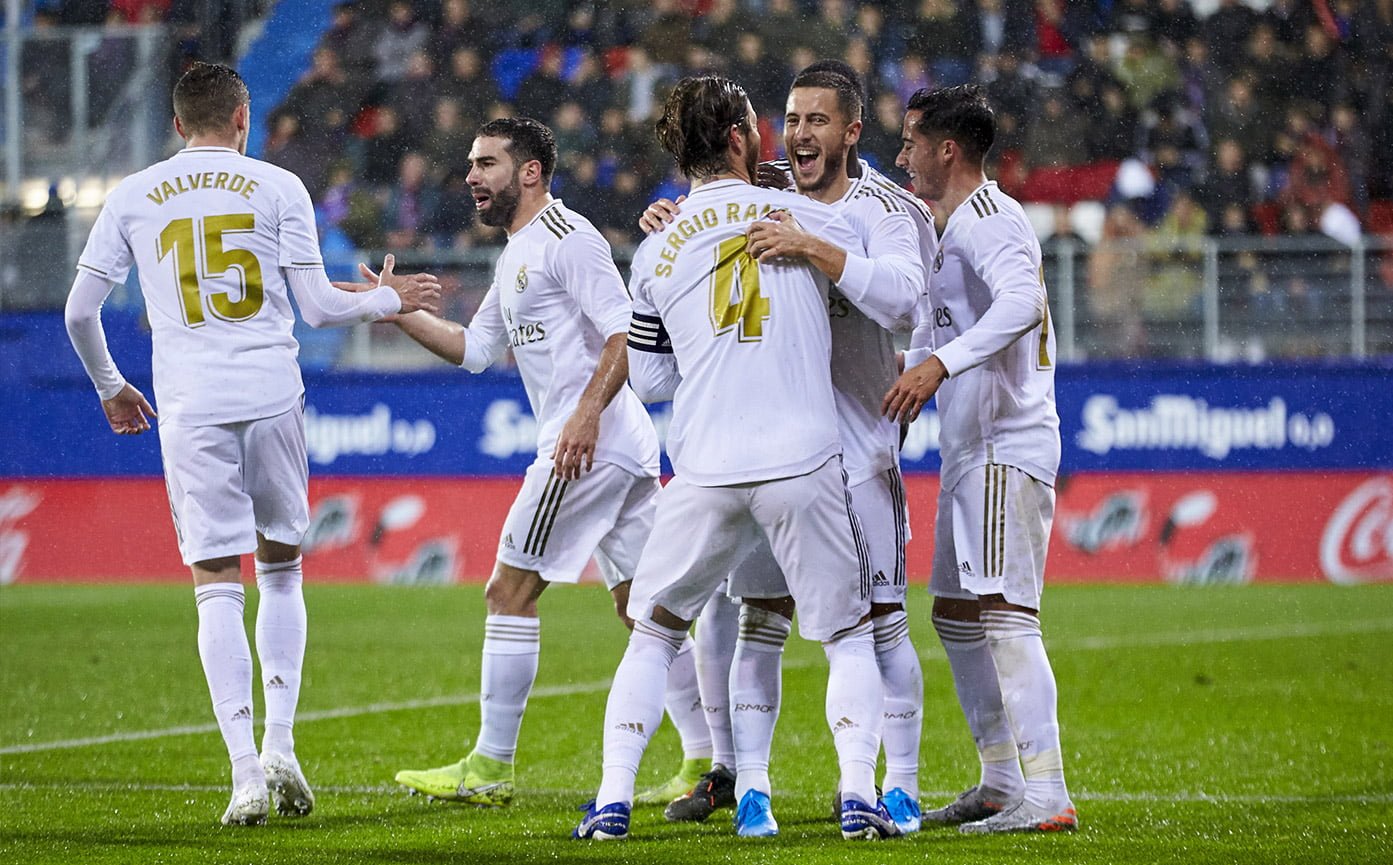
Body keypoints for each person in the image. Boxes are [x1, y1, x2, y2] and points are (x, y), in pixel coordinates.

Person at [62, 62, 442, 826]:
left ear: (176, 125)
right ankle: (280, 744)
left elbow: (79, 312)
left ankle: (243, 776)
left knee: (213, 582)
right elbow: (318, 308)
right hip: (270, 395)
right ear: (243, 119)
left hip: (192, 406)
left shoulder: (133, 195)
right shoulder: (276, 187)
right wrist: (390, 298)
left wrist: (111, 386)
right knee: (281, 568)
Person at [573, 75, 898, 843]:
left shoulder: (657, 246)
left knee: (655, 630)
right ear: (739, 139)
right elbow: (880, 299)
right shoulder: (809, 221)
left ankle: (613, 799)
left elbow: (649, 379)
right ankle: (858, 793)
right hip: (802, 459)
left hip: (707, 462)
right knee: (848, 635)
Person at [369, 118, 706, 807]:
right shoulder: (518, 252)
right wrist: (394, 309)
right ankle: (705, 757)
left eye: (486, 162)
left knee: (508, 591)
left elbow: (626, 330)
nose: (471, 175)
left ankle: (490, 765)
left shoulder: (567, 239)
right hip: (620, 444)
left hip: (587, 445)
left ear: (528, 172)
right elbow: (474, 348)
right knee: (645, 608)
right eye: (470, 161)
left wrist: (582, 414)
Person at [884, 84, 1076, 834]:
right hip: (970, 448)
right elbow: (938, 331)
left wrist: (938, 368)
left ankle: (1048, 790)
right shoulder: (946, 226)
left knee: (1003, 614)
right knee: (957, 614)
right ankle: (999, 779)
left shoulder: (990, 218)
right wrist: (908, 382)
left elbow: (1021, 303)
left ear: (946, 149)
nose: (902, 156)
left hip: (1005, 443)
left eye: (909, 142)